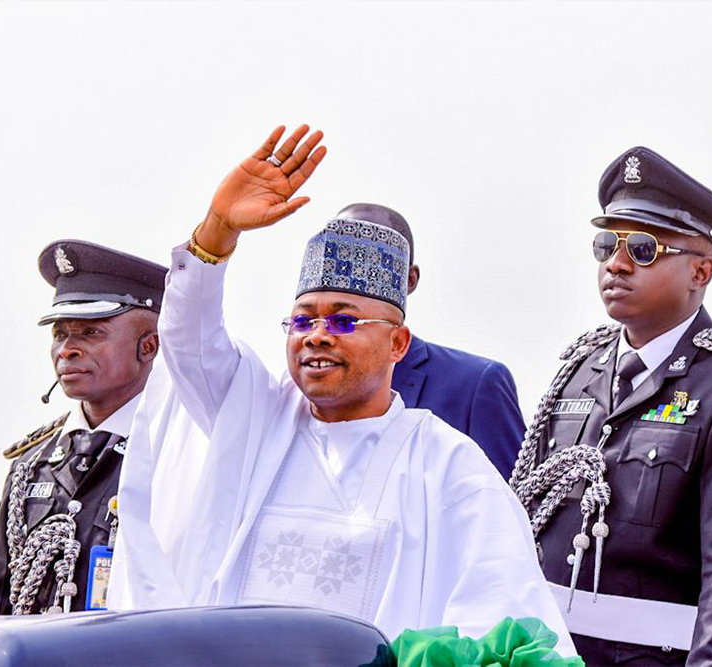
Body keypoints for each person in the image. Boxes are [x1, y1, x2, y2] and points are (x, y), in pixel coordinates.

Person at [108, 125, 575, 653]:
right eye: (302, 320)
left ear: (397, 343)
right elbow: (189, 342)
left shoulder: (449, 468)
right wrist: (217, 231)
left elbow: (500, 617)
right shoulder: (256, 421)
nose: (317, 335)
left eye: (344, 321)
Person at [509, 146, 712, 665]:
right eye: (607, 245)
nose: (616, 264)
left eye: (643, 249)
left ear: (701, 272)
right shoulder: (578, 368)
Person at [0, 240, 167, 615]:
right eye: (59, 334)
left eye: (90, 333)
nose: (67, 349)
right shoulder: (31, 465)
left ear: (148, 347)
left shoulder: (174, 452)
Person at [335, 203, 526, 478]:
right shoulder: (304, 389)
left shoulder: (475, 384)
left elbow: (514, 498)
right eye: (338, 253)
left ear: (410, 279)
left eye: (375, 258)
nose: (351, 271)